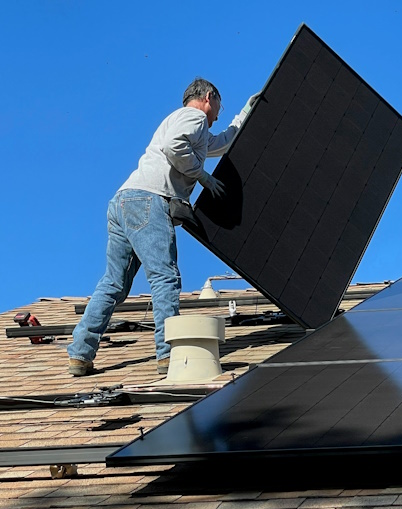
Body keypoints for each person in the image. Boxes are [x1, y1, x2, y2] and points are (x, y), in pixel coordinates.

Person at [68, 78, 259, 376]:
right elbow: (174, 147)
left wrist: (246, 113)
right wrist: (202, 177)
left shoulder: (184, 122)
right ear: (209, 97)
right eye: (220, 106)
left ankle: (80, 353)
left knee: (113, 284)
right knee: (165, 277)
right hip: (149, 200)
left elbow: (220, 143)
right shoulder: (193, 117)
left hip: (123, 202)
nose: (219, 114)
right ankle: (168, 356)